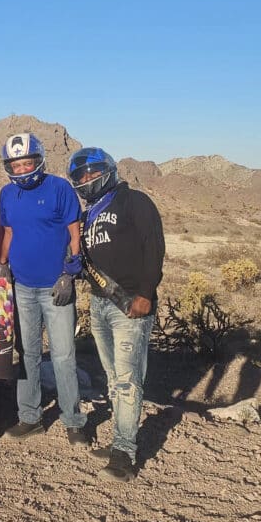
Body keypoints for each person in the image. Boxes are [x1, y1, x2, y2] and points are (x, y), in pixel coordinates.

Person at [67, 147, 164, 482]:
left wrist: (146, 294)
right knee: (113, 378)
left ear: (107, 171)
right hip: (100, 303)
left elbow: (154, 246)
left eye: (93, 172)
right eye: (81, 175)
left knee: (127, 380)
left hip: (129, 304)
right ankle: (119, 442)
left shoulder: (134, 201)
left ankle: (124, 454)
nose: (87, 179)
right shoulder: (89, 214)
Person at [0, 133, 88, 445]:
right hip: (22, 286)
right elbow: (9, 231)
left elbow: (74, 232)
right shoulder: (7, 194)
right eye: (16, 165)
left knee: (63, 355)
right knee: (27, 354)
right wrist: (2, 262)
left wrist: (69, 271)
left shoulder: (59, 188)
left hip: (55, 286)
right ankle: (30, 417)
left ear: (38, 160)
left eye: (27, 163)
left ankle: (73, 421)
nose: (22, 169)